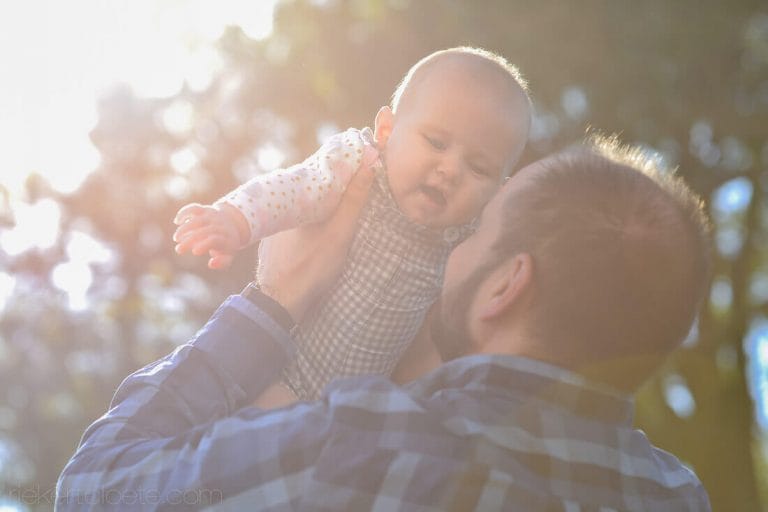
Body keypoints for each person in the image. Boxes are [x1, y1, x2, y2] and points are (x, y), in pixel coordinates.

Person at [56, 137, 712, 511]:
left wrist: (271, 303)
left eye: (475, 230)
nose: (451, 245)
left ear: (506, 286)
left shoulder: (368, 444)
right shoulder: (679, 496)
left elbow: (95, 488)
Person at [172, 47, 532, 402]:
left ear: (497, 190)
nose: (451, 170)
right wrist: (234, 219)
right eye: (436, 142)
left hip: (358, 407)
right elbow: (291, 188)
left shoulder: (463, 240)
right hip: (285, 372)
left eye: (479, 168)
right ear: (387, 130)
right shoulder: (357, 164)